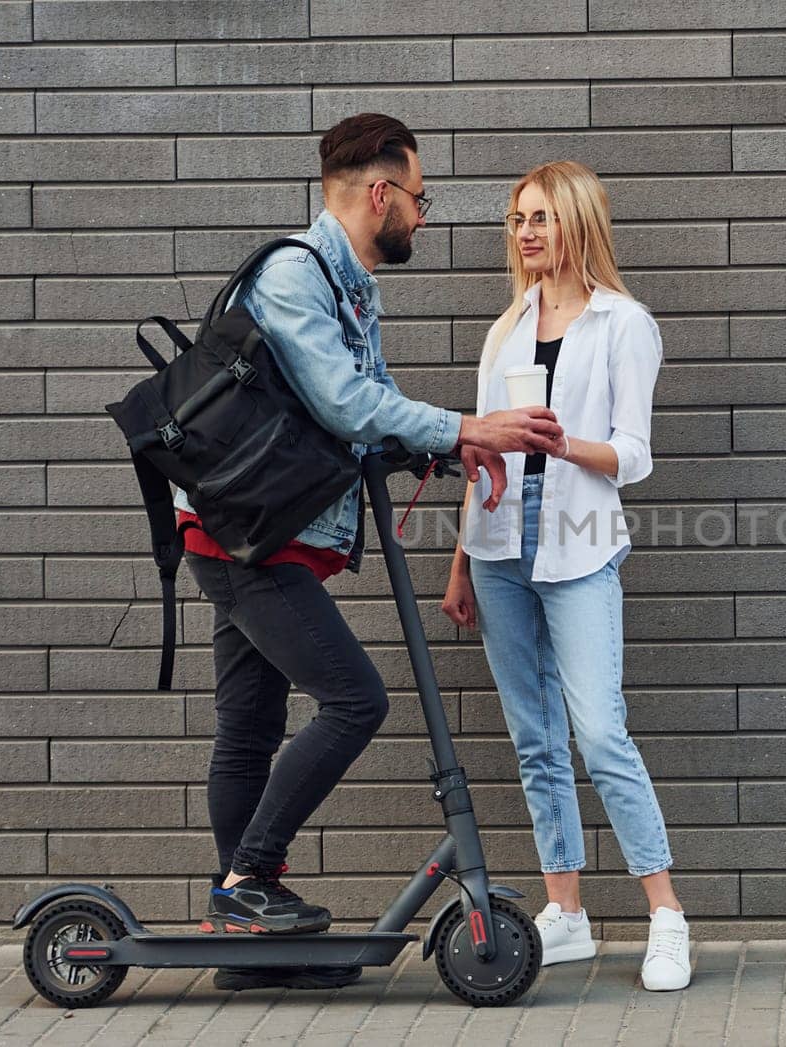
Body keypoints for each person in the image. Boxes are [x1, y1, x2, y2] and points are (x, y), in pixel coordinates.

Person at [174, 113, 563, 990]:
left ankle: (247, 940)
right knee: (356, 699)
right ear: (380, 193)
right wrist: (467, 423)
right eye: (421, 199)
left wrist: (446, 448)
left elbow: (368, 409)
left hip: (266, 532)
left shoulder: (352, 287)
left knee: (250, 725)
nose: (424, 217)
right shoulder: (293, 277)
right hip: (241, 536)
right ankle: (247, 881)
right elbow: (345, 403)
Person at [440, 161, 691, 992]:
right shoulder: (507, 325)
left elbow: (635, 454)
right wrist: (461, 564)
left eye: (541, 217)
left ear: (577, 221)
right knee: (535, 739)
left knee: (599, 731)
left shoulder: (624, 323)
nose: (526, 232)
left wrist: (560, 445)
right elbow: (478, 453)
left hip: (580, 542)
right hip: (500, 546)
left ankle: (665, 914)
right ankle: (568, 911)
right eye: (516, 219)